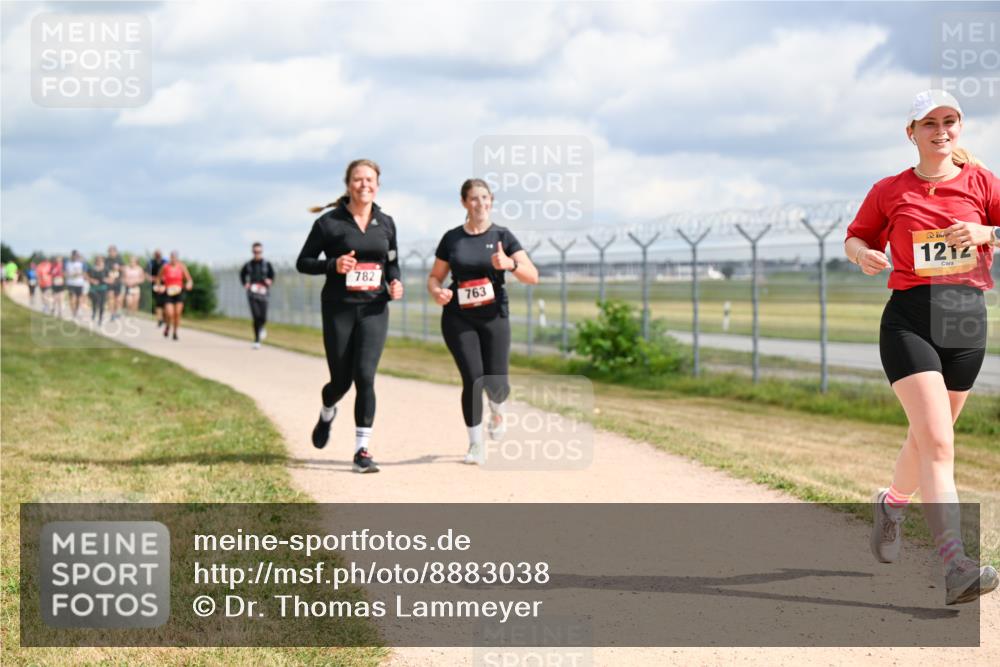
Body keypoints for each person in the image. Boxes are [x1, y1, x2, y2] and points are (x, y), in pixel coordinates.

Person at [847, 90, 999, 605]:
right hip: (909, 321)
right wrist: (863, 254)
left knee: (925, 439)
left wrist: (986, 231)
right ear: (910, 132)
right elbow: (855, 237)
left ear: (960, 127)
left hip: (965, 323)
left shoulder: (982, 182)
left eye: (950, 121)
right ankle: (955, 564)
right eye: (929, 123)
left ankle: (891, 505)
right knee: (937, 444)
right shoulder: (889, 190)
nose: (941, 130)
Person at [296, 158, 404, 473]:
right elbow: (303, 262)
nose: (364, 185)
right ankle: (328, 410)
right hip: (339, 308)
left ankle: (362, 450)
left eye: (370, 180)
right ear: (348, 184)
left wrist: (394, 282)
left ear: (378, 185)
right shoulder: (329, 224)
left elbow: (392, 262)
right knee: (341, 381)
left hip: (374, 308)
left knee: (366, 376)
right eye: (358, 179)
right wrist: (333, 265)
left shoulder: (386, 222)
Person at [427, 178, 539, 464]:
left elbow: (532, 275)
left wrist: (510, 264)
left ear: (492, 201)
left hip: (494, 316)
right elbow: (435, 277)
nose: (480, 203)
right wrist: (437, 292)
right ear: (464, 202)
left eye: (485, 198)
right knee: (473, 378)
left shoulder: (503, 235)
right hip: (458, 316)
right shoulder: (452, 238)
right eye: (474, 198)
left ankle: (498, 409)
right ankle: (475, 444)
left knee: (497, 383)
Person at [240, 242, 275, 349]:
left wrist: (270, 280)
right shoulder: (248, 265)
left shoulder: (267, 264)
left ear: (261, 251)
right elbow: (242, 275)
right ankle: (256, 340)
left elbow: (272, 275)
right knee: (256, 315)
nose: (257, 254)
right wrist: (245, 283)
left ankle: (261, 327)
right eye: (255, 252)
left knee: (263, 316)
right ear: (252, 252)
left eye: (259, 252)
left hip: (263, 292)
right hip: (252, 293)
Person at [156, 251, 193, 341]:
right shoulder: (165, 267)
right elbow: (158, 278)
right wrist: (159, 286)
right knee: (170, 313)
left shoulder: (181, 266)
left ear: (177, 258)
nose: (173, 259)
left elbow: (189, 279)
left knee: (177, 313)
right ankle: (168, 326)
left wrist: (189, 284)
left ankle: (175, 332)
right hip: (168, 292)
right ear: (170, 258)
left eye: (175, 257)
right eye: (172, 257)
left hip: (179, 292)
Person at [86, 256, 111, 325]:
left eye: (101, 261)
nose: (99, 262)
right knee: (95, 302)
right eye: (98, 261)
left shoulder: (106, 269)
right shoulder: (91, 269)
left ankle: (100, 318)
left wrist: (106, 280)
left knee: (102, 304)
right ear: (96, 261)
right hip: (94, 288)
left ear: (103, 261)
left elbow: (110, 279)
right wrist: (92, 280)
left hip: (103, 288)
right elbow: (86, 276)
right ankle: (94, 313)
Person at [64, 251, 87, 318]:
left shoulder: (81, 263)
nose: (75, 257)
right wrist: (69, 275)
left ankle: (77, 310)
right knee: (72, 298)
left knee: (79, 298)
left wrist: (79, 274)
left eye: (77, 255)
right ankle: (73, 312)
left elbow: (85, 273)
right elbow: (64, 272)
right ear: (72, 256)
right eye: (74, 255)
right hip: (70, 283)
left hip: (79, 283)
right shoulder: (67, 263)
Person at [147, 250, 167, 326]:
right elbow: (146, 272)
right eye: (156, 254)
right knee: (158, 302)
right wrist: (150, 278)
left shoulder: (165, 262)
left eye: (159, 254)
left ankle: (164, 318)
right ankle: (159, 319)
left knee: (165, 302)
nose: (158, 255)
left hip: (165, 285)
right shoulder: (151, 262)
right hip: (155, 285)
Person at [106, 245, 124, 321]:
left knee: (118, 299)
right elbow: (103, 270)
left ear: (116, 252)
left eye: (113, 251)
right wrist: (107, 279)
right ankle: (112, 314)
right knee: (110, 297)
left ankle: (116, 312)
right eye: (110, 251)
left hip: (118, 282)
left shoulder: (119, 259)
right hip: (109, 282)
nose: (111, 253)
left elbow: (124, 268)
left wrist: (119, 267)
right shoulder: (106, 260)